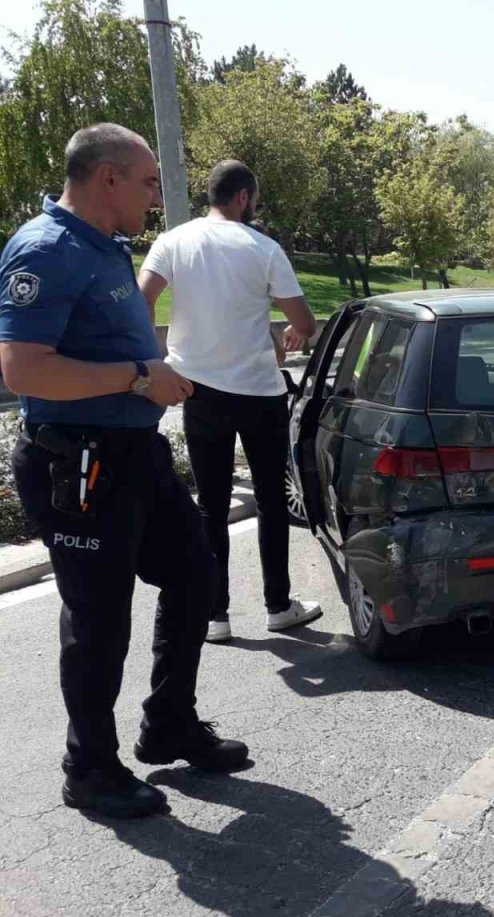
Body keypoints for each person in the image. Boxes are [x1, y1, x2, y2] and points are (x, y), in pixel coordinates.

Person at [0, 124, 250, 820]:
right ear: (108, 177)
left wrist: (147, 383)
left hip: (135, 454)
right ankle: (89, 770)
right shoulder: (45, 251)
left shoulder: (105, 248)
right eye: (147, 182)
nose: (154, 196)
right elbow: (24, 369)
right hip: (79, 461)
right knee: (99, 620)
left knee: (195, 574)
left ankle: (167, 722)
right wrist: (143, 377)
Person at [139, 161, 322, 643]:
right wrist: (289, 333)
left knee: (211, 505)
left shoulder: (172, 241)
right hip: (259, 394)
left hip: (196, 390)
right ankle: (278, 606)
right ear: (243, 197)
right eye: (254, 198)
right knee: (270, 501)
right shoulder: (264, 248)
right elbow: (304, 324)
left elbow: (140, 303)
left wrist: (154, 365)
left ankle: (215, 615)